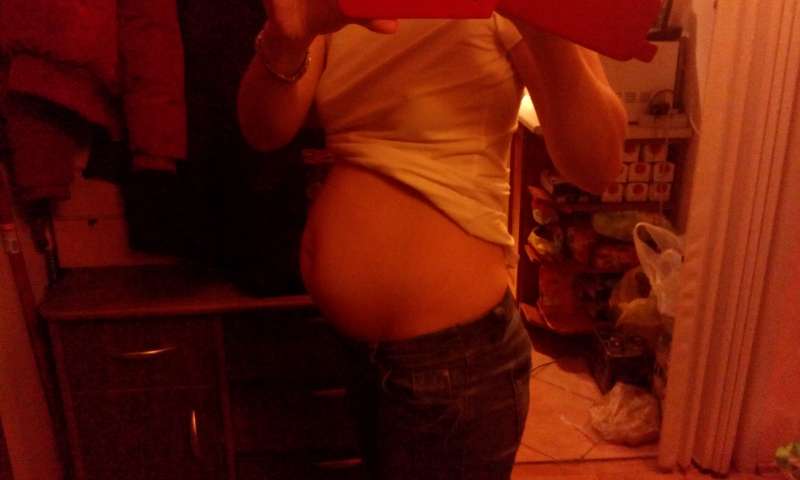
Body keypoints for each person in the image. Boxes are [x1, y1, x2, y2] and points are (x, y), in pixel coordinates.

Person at [238, 1, 626, 478]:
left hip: (456, 369)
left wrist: (546, 23)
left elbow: (599, 166)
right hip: (360, 353)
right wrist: (287, 40)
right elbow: (264, 130)